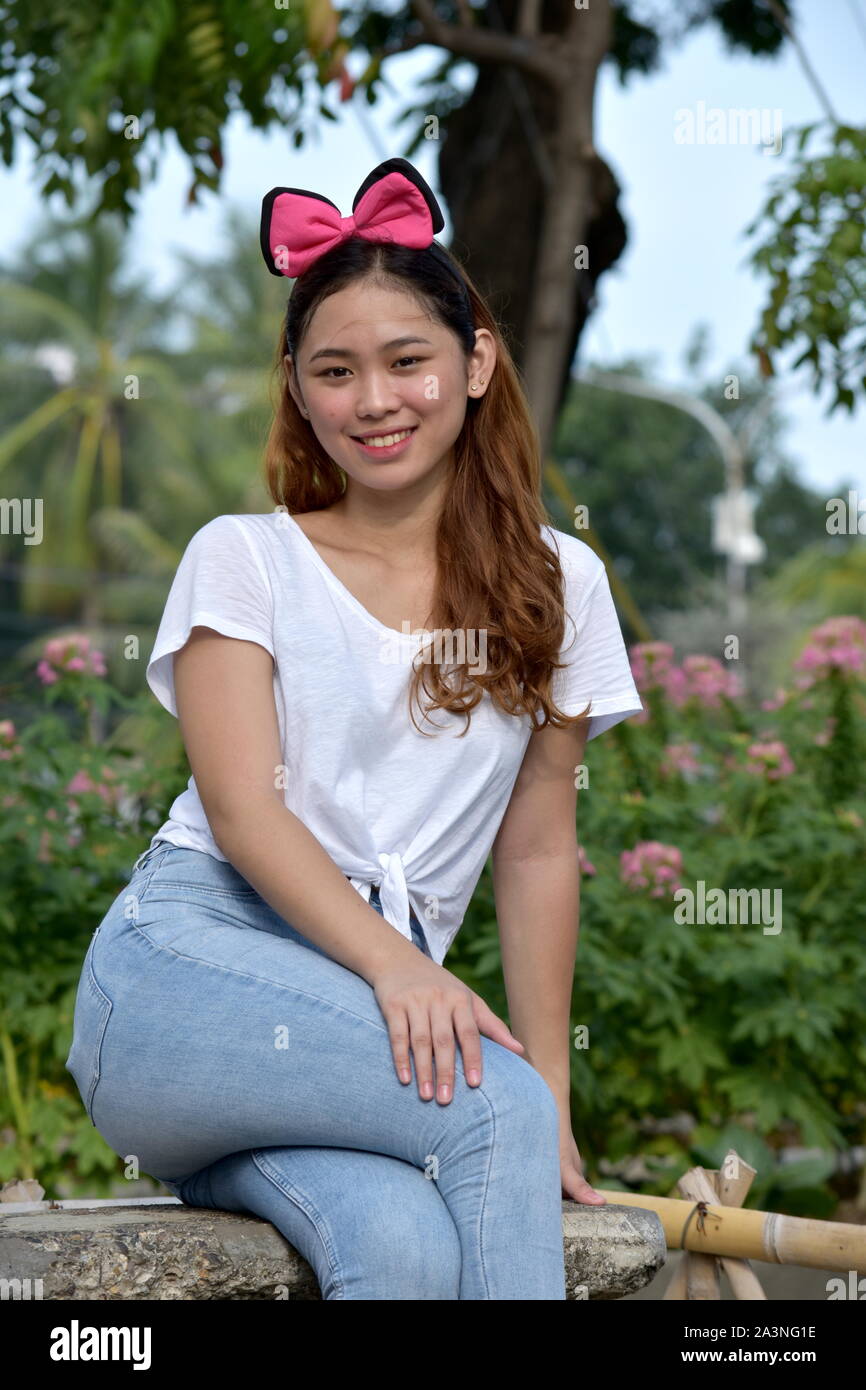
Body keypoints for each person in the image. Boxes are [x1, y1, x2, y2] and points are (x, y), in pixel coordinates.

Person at [65, 157, 644, 1300]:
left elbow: (536, 849)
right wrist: (403, 975)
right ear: (296, 386)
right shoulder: (245, 557)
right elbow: (244, 811)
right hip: (185, 974)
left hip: (346, 1034)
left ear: (475, 362)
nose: (373, 399)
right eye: (334, 371)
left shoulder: (560, 583)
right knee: (492, 1106)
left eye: (406, 360)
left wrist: (553, 1103)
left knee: (402, 1244)